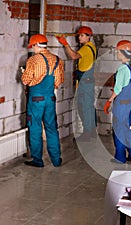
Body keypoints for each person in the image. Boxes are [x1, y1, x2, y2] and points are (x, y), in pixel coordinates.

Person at [21, 34, 64, 167]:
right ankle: (56, 160)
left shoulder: (33, 60)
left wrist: (23, 73)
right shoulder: (57, 59)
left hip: (36, 100)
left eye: (32, 46)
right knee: (51, 128)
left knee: (35, 128)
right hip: (50, 99)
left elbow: (25, 80)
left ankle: (38, 161)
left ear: (35, 45)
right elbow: (58, 82)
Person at [56, 26, 97, 141]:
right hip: (87, 80)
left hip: (85, 81)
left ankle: (88, 134)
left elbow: (74, 56)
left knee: (84, 107)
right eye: (79, 35)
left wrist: (65, 44)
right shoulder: (92, 47)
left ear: (89, 37)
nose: (79, 37)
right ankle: (92, 132)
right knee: (88, 106)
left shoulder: (86, 48)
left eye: (82, 35)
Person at [103, 40, 131, 163]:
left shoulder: (123, 68)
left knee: (119, 129)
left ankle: (120, 157)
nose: (117, 53)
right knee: (127, 128)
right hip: (130, 102)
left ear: (123, 52)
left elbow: (118, 89)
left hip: (121, 104)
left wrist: (109, 101)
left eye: (118, 51)